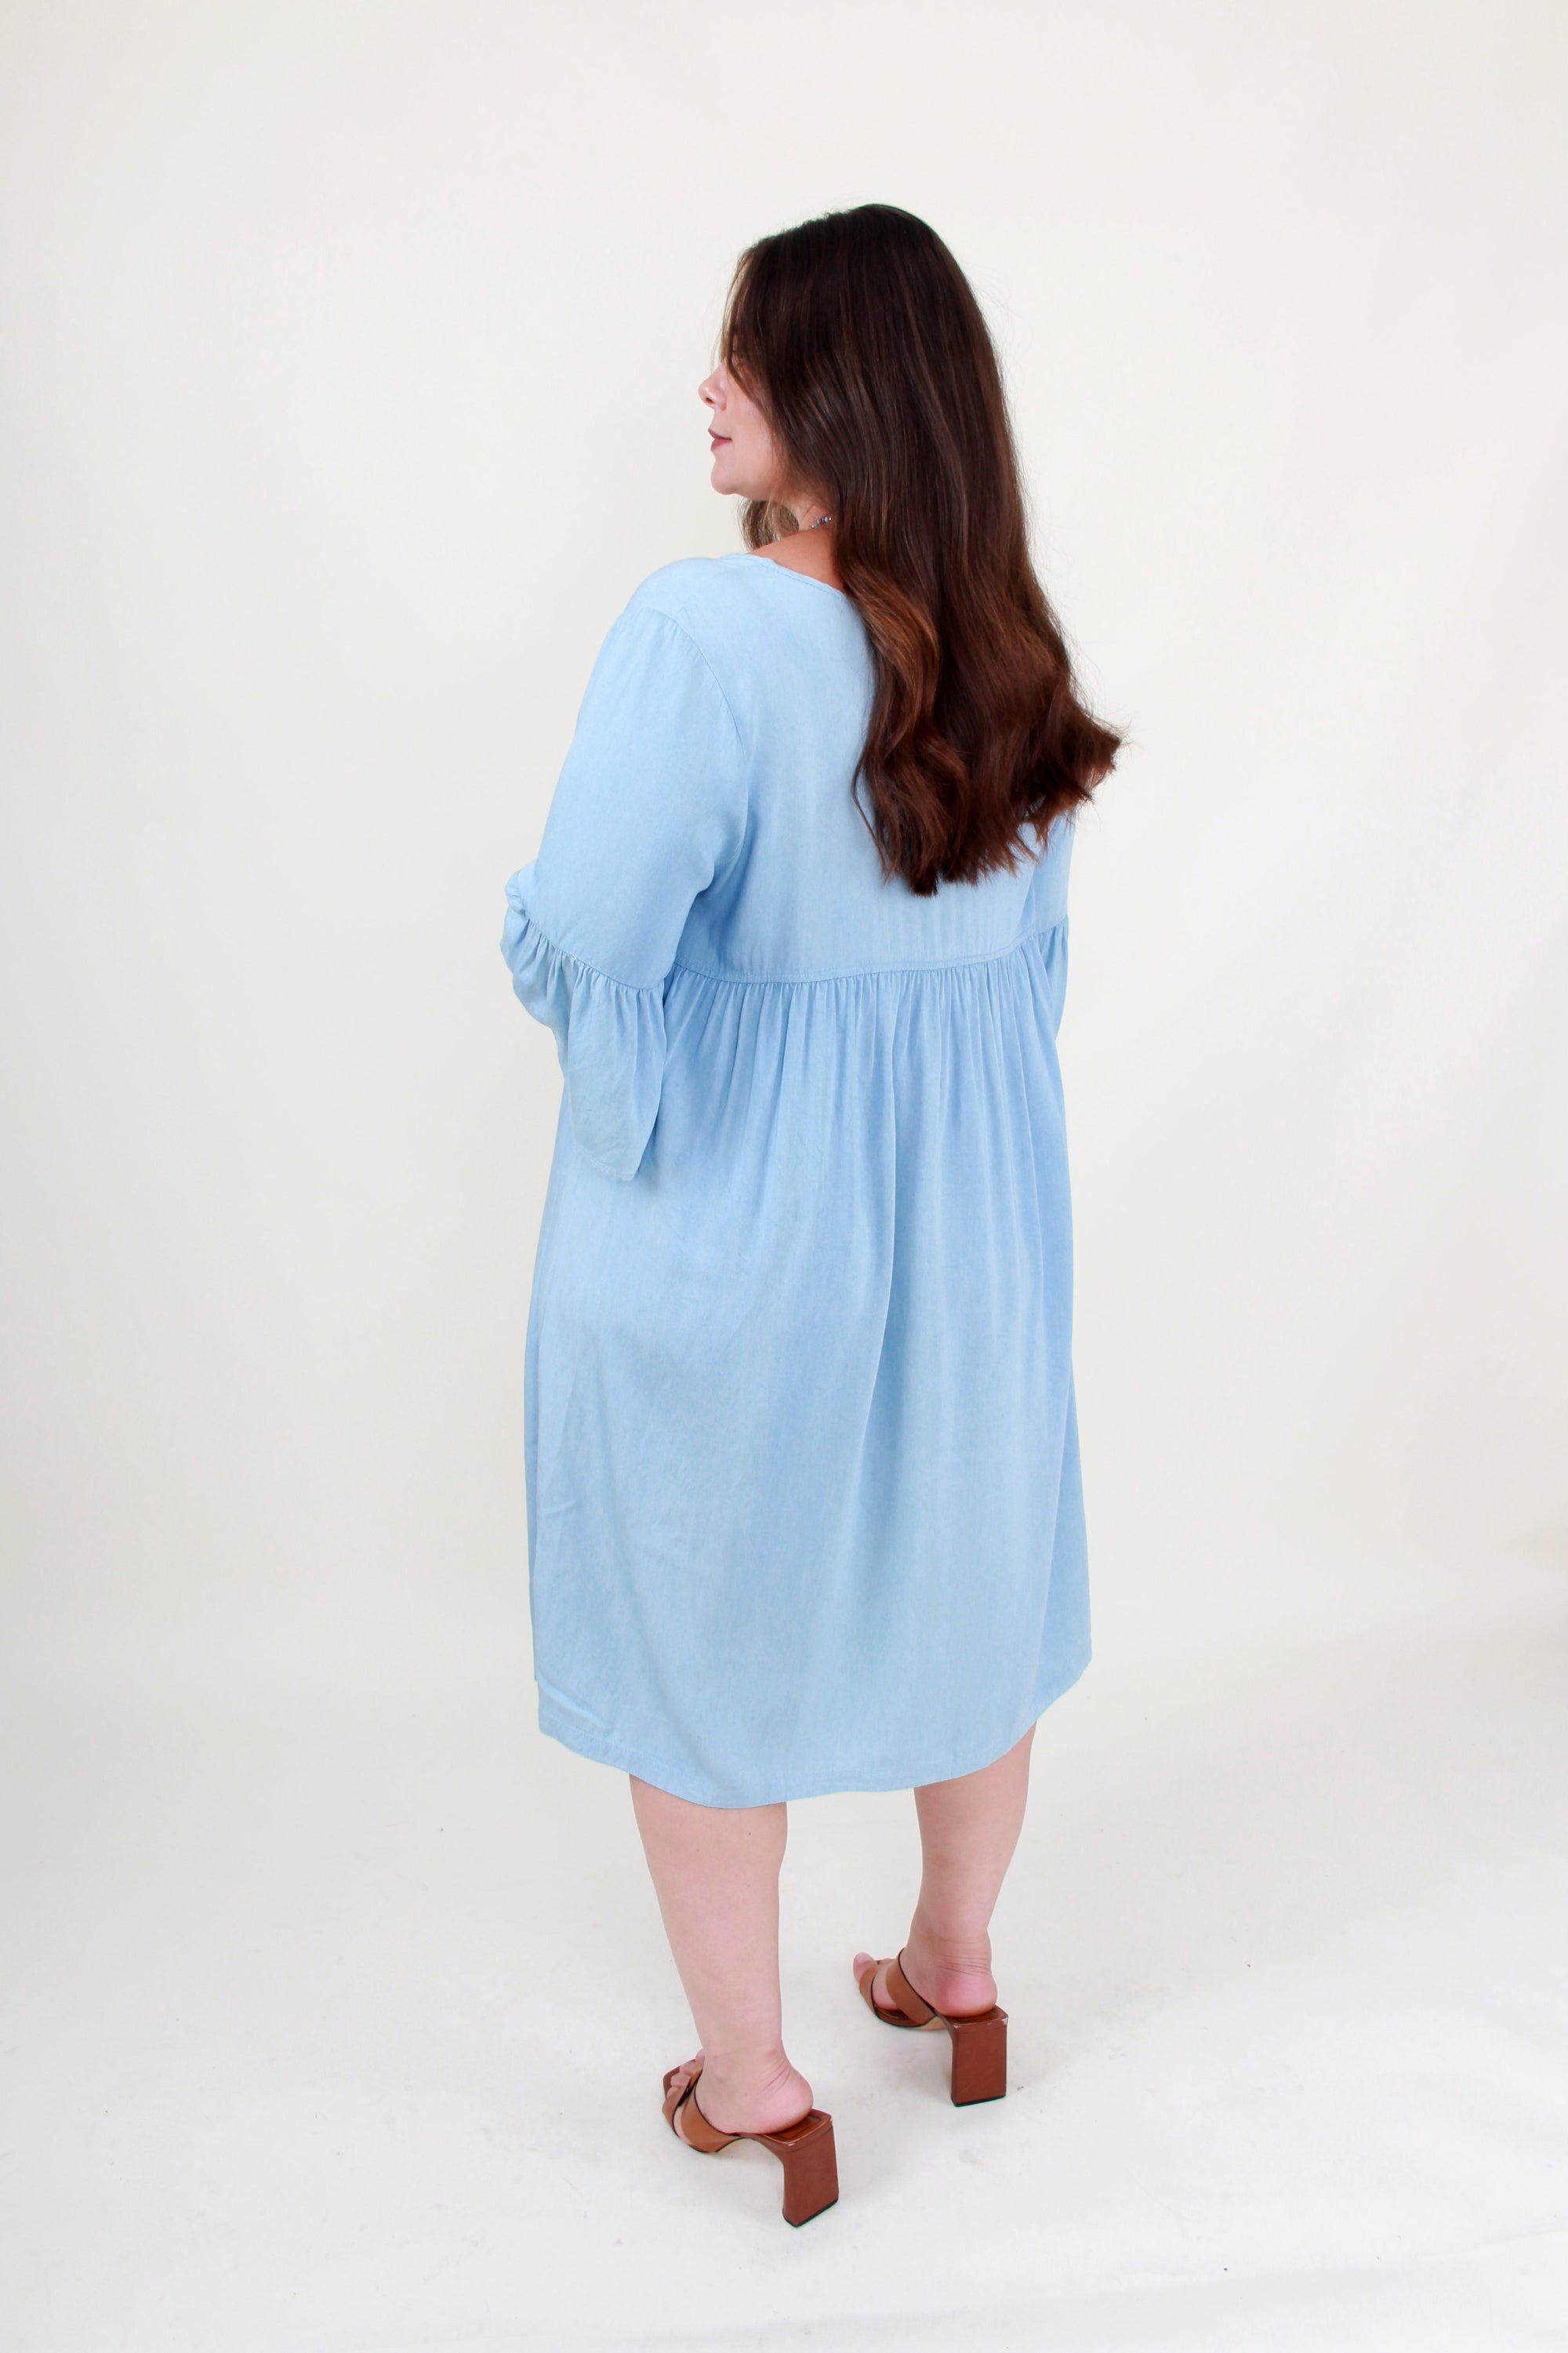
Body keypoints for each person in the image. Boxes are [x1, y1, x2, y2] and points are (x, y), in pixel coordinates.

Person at [500, 203, 1120, 2225]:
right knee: (970, 1591)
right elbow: (1023, 995)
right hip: (975, 1251)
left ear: (835, 396)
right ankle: (957, 1974)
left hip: (737, 1242)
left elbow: (586, 939)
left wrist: (647, 1071)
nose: (709, 387)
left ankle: (757, 2085)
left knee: (702, 1630)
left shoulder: (704, 632)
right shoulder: (1013, 657)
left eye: (745, 359)